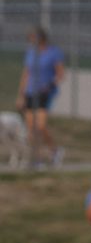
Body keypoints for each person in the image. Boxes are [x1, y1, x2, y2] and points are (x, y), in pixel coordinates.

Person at [16, 27, 65, 168]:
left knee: (40, 126)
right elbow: (26, 74)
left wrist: (50, 85)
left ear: (41, 38)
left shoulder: (53, 52)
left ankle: (55, 151)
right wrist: (21, 95)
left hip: (44, 93)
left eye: (34, 37)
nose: (32, 41)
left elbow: (60, 73)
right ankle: (37, 159)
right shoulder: (31, 53)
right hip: (30, 92)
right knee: (31, 128)